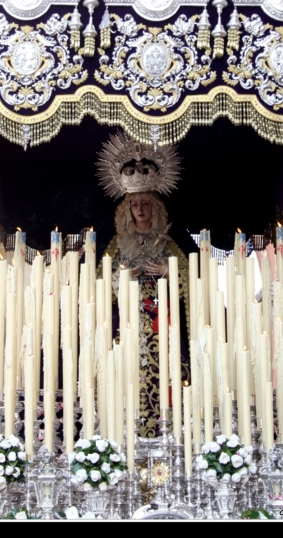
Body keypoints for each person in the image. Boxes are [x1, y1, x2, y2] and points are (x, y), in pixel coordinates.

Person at [96, 134, 191, 438]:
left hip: (162, 318)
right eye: (134, 204)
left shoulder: (168, 242)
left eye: (145, 204)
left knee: (166, 370)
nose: (139, 209)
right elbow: (102, 282)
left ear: (155, 207)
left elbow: (189, 278)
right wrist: (123, 276)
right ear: (127, 209)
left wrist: (168, 271)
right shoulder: (117, 243)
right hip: (128, 320)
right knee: (128, 372)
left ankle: (168, 428)